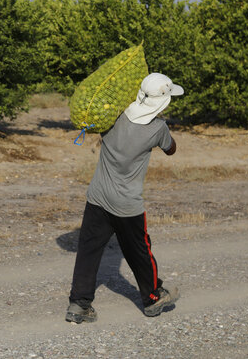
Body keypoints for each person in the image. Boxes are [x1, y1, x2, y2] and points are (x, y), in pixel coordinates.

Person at [66, 72, 184, 323]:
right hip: (127, 204)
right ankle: (153, 298)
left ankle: (79, 305)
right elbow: (171, 149)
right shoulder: (158, 128)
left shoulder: (114, 116)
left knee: (88, 250)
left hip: (97, 196)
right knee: (140, 252)